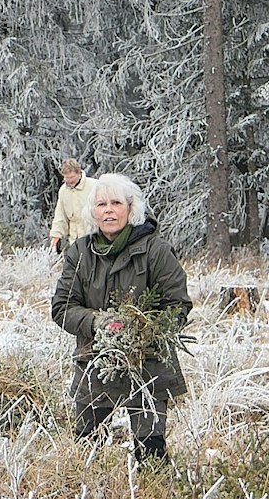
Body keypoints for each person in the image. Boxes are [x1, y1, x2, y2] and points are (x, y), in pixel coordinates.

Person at [51, 173, 191, 463]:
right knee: (88, 450)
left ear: (131, 208)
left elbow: (177, 306)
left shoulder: (156, 250)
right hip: (95, 362)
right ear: (93, 212)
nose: (109, 210)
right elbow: (62, 307)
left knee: (150, 453)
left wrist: (140, 329)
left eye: (116, 203)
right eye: (101, 204)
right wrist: (97, 322)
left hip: (149, 364)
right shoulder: (80, 252)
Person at [48, 157, 97, 255]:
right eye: (66, 178)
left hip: (94, 239)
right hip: (74, 242)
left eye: (72, 177)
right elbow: (60, 216)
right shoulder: (63, 191)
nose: (69, 181)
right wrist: (56, 236)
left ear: (79, 173)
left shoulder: (94, 186)